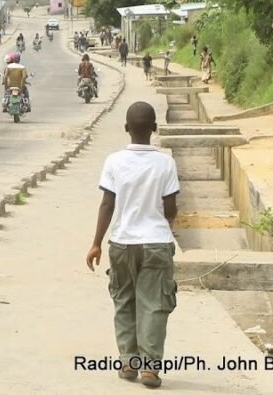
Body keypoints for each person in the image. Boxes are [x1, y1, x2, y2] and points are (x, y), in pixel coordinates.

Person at [85, 101, 180, 388]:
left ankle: (129, 362)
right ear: (154, 128)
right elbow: (171, 207)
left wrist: (96, 244)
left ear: (127, 128)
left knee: (123, 301)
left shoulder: (113, 161)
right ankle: (150, 369)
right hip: (156, 243)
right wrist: (163, 225)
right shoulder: (166, 163)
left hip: (121, 243)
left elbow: (107, 204)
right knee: (153, 305)